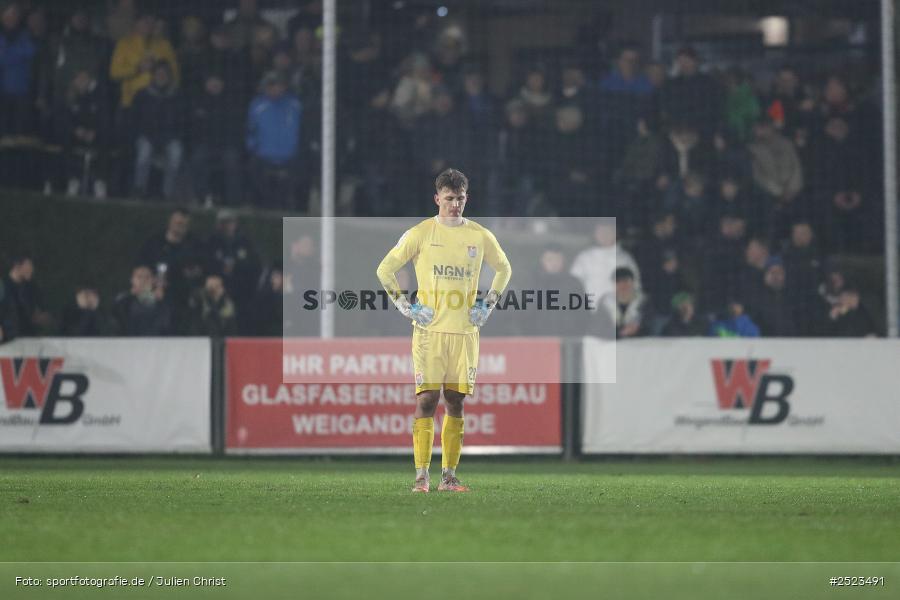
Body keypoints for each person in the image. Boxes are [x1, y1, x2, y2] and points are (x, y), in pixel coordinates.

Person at [376, 168, 512, 494]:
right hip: (429, 332)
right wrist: (406, 306)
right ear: (437, 198)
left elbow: (504, 268)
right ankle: (421, 476)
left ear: (467, 198)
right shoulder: (421, 233)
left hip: (465, 333)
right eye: (449, 199)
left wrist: (486, 305)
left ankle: (448, 477)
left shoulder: (479, 235)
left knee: (455, 402)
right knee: (426, 399)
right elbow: (385, 269)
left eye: (460, 199)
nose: (455, 205)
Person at [109, 10, 178, 108]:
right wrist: (137, 69)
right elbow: (114, 73)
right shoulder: (124, 44)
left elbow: (175, 73)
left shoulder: (164, 45)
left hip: (161, 102)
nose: (149, 25)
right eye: (145, 21)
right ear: (136, 23)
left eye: (152, 22)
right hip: (132, 102)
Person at [112, 265, 171, 336]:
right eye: (139, 277)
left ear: (153, 280)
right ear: (132, 280)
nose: (143, 280)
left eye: (147, 277)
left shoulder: (162, 301)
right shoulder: (123, 300)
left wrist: (160, 302)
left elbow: (166, 325)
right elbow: (120, 322)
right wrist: (132, 296)